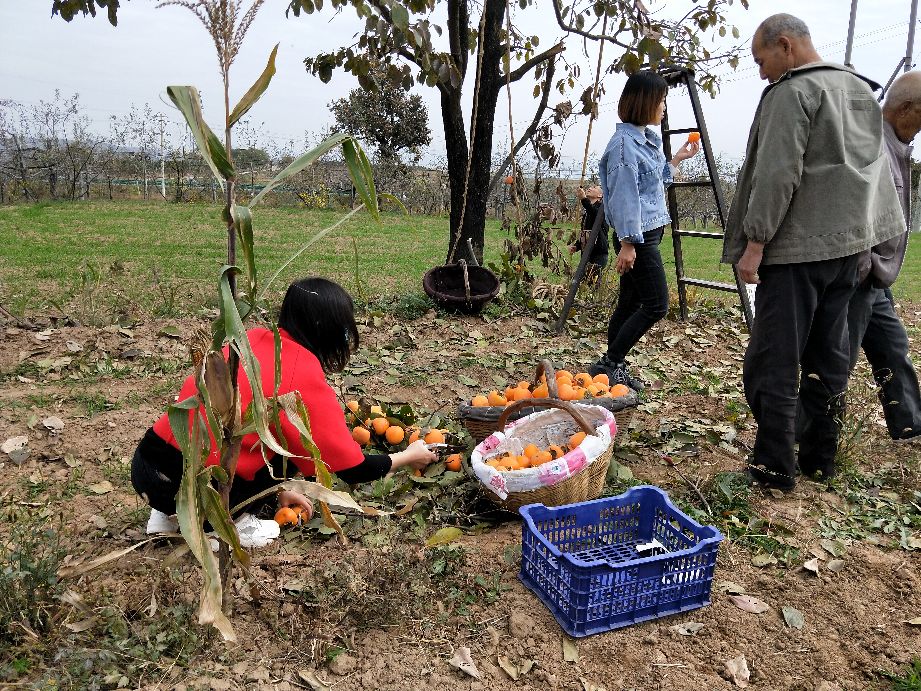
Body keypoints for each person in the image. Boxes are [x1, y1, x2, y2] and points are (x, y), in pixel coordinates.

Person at [722, 14, 905, 491]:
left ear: (785, 46)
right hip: (848, 252)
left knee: (774, 360)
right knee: (828, 356)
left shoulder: (793, 93)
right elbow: (876, 174)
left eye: (762, 61)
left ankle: (773, 467)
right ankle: (820, 457)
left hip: (795, 253)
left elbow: (777, 174)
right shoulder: (860, 90)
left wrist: (755, 243)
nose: (762, 73)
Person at [131, 277, 437, 547]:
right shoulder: (299, 372)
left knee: (263, 434)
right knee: (299, 443)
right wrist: (410, 455)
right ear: (330, 330)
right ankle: (222, 528)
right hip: (203, 489)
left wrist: (280, 490)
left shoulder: (250, 338)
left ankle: (165, 516)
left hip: (149, 466)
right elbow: (350, 468)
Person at [588, 70, 700, 390]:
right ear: (645, 101)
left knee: (629, 304)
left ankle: (613, 366)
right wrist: (627, 243)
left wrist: (678, 157)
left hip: (645, 234)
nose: (663, 106)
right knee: (656, 305)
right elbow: (625, 198)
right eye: (661, 100)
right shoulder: (624, 146)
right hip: (636, 238)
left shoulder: (645, 139)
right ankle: (609, 363)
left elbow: (653, 184)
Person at [847, 71, 921, 441]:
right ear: (906, 108)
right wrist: (862, 269)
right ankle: (810, 435)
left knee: (892, 346)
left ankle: (909, 426)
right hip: (858, 274)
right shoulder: (870, 141)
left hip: (875, 276)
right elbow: (852, 212)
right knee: (836, 361)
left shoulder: (896, 144)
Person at [570, 185, 609, 284]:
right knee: (582, 282)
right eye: (590, 187)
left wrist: (583, 199)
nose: (590, 188)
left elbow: (595, 214)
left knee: (593, 282)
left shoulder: (602, 209)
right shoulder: (587, 212)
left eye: (594, 188)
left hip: (598, 253)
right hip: (587, 252)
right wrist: (577, 246)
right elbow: (586, 232)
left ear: (600, 195)